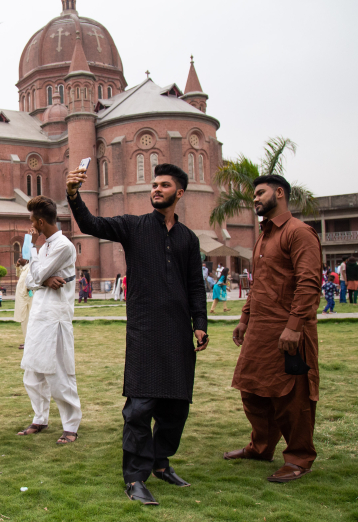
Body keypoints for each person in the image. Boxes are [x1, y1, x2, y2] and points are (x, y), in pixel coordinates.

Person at [67, 163, 208, 505]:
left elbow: (194, 284)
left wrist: (200, 322)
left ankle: (161, 463)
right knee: (140, 408)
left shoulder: (189, 238)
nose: (156, 188)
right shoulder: (133, 226)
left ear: (180, 193)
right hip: (145, 332)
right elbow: (91, 224)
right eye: (154, 184)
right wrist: (73, 194)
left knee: (176, 408)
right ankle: (134, 478)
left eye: (164, 185)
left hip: (178, 335)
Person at [227, 175, 322, 484]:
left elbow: (308, 283)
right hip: (260, 329)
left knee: (292, 397)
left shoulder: (298, 233)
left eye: (260, 193)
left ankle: (298, 459)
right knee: (251, 389)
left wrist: (295, 327)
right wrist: (244, 319)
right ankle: (260, 447)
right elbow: (258, 285)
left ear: (279, 193)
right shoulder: (264, 236)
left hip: (288, 331)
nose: (254, 199)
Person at [17, 195, 82, 446]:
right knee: (32, 373)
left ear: (41, 222)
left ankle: (71, 425)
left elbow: (35, 274)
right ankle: (40, 418)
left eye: (32, 221)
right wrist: (43, 280)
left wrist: (39, 274)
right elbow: (31, 279)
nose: (31, 226)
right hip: (39, 315)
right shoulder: (44, 247)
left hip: (55, 317)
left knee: (59, 374)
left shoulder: (63, 246)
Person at [13, 258, 33, 350]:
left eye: (21, 258)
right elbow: (18, 275)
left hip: (26, 299)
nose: (19, 259)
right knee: (24, 321)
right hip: (22, 299)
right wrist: (17, 266)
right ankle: (27, 341)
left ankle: (29, 343)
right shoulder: (25, 268)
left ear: (27, 259)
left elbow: (32, 281)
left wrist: (29, 289)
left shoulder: (31, 268)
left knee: (27, 320)